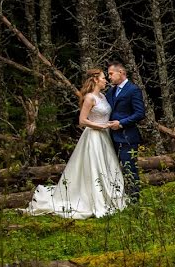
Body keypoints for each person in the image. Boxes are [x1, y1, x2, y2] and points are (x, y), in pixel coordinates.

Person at [24, 69, 127, 219]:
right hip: (93, 136)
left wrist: (108, 124)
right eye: (104, 78)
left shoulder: (103, 97)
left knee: (107, 165)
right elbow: (82, 120)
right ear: (96, 80)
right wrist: (100, 126)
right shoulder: (90, 98)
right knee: (94, 167)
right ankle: (91, 198)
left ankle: (109, 195)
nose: (106, 80)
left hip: (105, 136)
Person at [106, 62, 145, 203]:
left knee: (130, 169)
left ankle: (134, 201)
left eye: (111, 73)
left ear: (121, 72)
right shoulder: (110, 92)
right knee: (111, 169)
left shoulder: (133, 90)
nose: (109, 77)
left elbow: (140, 113)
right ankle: (115, 200)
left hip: (127, 137)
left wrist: (121, 123)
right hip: (109, 138)